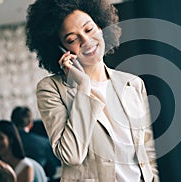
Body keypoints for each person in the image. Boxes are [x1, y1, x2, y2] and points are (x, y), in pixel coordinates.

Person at [25, 0, 159, 181]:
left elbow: (148, 149)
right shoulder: (51, 89)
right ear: (61, 49)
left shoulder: (132, 83)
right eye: (72, 39)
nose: (86, 41)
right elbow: (71, 155)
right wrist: (83, 88)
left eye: (89, 30)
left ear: (101, 26)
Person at [11, 106, 61, 181]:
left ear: (12, 122)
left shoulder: (4, 143)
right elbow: (52, 170)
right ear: (31, 124)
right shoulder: (44, 143)